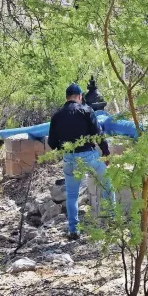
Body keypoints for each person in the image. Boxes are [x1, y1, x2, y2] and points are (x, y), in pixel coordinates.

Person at [48, 83, 115, 240]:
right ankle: (112, 221)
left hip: (69, 158)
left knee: (72, 195)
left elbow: (52, 142)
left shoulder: (57, 116)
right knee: (107, 185)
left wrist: (63, 150)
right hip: (88, 156)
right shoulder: (86, 110)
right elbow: (98, 134)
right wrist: (105, 152)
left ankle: (73, 230)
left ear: (66, 98)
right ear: (79, 97)